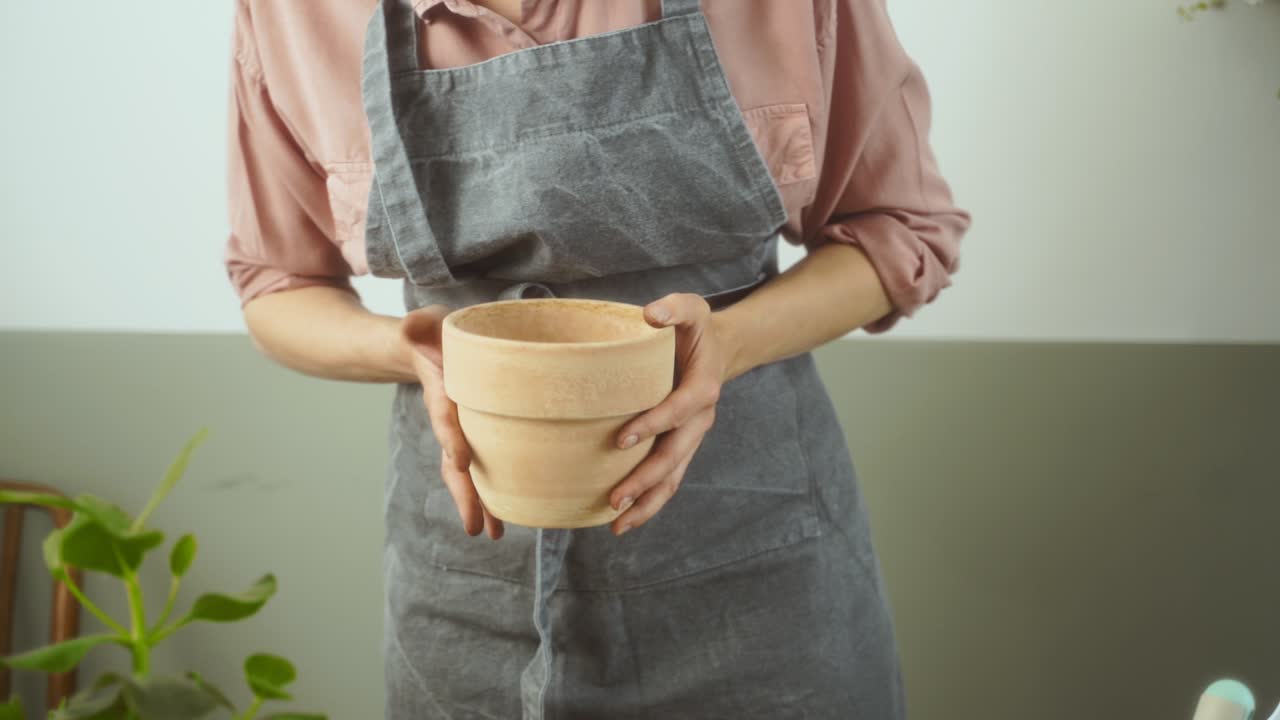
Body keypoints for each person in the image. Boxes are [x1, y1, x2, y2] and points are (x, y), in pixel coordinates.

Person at [225, 0, 970, 716]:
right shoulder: (291, 11)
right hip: (464, 594)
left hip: (756, 572)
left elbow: (902, 225)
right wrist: (410, 349)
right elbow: (277, 282)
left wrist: (729, 343)